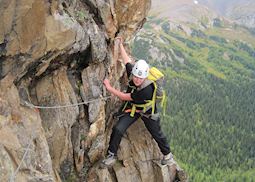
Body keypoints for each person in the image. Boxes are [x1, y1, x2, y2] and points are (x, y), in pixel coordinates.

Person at [101, 37, 173, 168]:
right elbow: (127, 60)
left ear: (145, 77)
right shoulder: (134, 74)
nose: (137, 80)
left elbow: (123, 96)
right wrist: (120, 45)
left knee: (156, 133)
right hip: (133, 108)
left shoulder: (146, 90)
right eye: (135, 76)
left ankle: (167, 155)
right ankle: (111, 155)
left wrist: (109, 87)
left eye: (140, 78)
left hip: (147, 112)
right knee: (118, 128)